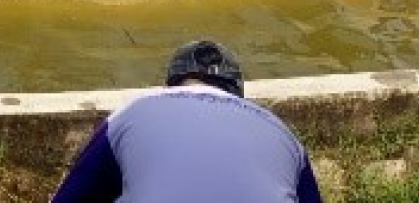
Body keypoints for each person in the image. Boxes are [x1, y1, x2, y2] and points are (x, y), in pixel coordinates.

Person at [52, 39, 323, 202]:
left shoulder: (131, 114)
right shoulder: (284, 135)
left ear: (170, 86)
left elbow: (70, 198)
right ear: (237, 93)